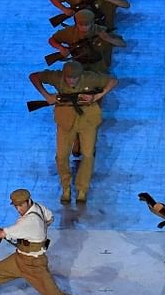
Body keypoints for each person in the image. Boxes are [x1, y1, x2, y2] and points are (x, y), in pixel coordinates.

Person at [29, 61, 118, 204]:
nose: (71, 80)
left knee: (88, 155)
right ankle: (66, 187)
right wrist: (47, 95)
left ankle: (82, 189)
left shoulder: (91, 78)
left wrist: (97, 96)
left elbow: (113, 81)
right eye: (68, 77)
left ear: (81, 75)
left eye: (75, 78)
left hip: (88, 119)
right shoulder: (56, 77)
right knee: (61, 155)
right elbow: (34, 76)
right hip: (65, 119)